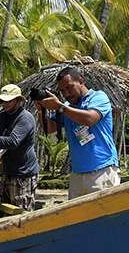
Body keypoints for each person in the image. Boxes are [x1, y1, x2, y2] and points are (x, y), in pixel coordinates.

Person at [37, 66, 120, 199]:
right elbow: (50, 130)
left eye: (69, 87)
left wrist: (60, 106)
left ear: (81, 81)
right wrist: (41, 110)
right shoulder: (67, 107)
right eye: (62, 90)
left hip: (102, 170)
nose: (67, 93)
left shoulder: (98, 97)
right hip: (77, 173)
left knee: (103, 216)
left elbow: (90, 118)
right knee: (76, 217)